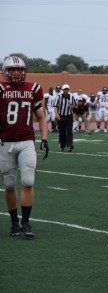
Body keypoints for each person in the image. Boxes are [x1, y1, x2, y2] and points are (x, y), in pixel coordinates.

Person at [0, 56, 49, 238]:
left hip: (26, 141)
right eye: (12, 70)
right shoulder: (1, 89)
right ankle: (14, 222)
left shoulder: (33, 89)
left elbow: (41, 117)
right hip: (5, 141)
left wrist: (44, 139)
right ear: (5, 72)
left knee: (28, 182)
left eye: (19, 69)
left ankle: (26, 223)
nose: (17, 73)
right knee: (9, 184)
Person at [54, 84, 77, 152]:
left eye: (67, 89)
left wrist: (72, 106)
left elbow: (75, 106)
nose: (66, 91)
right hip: (61, 116)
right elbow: (55, 106)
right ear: (63, 90)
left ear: (68, 90)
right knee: (62, 132)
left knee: (69, 131)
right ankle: (62, 145)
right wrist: (57, 115)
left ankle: (69, 145)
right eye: (65, 89)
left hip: (69, 116)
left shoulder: (72, 96)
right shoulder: (59, 96)